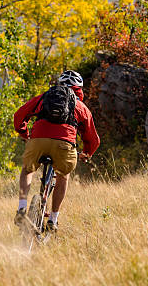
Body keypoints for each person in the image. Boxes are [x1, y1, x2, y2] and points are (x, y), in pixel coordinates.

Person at [13, 70, 100, 232]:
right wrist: (86, 154)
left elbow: (19, 116)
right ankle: (53, 219)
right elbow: (93, 139)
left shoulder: (43, 97)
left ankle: (22, 208)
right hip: (64, 145)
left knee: (27, 170)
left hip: (38, 141)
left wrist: (25, 134)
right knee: (63, 176)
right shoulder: (81, 106)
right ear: (79, 89)